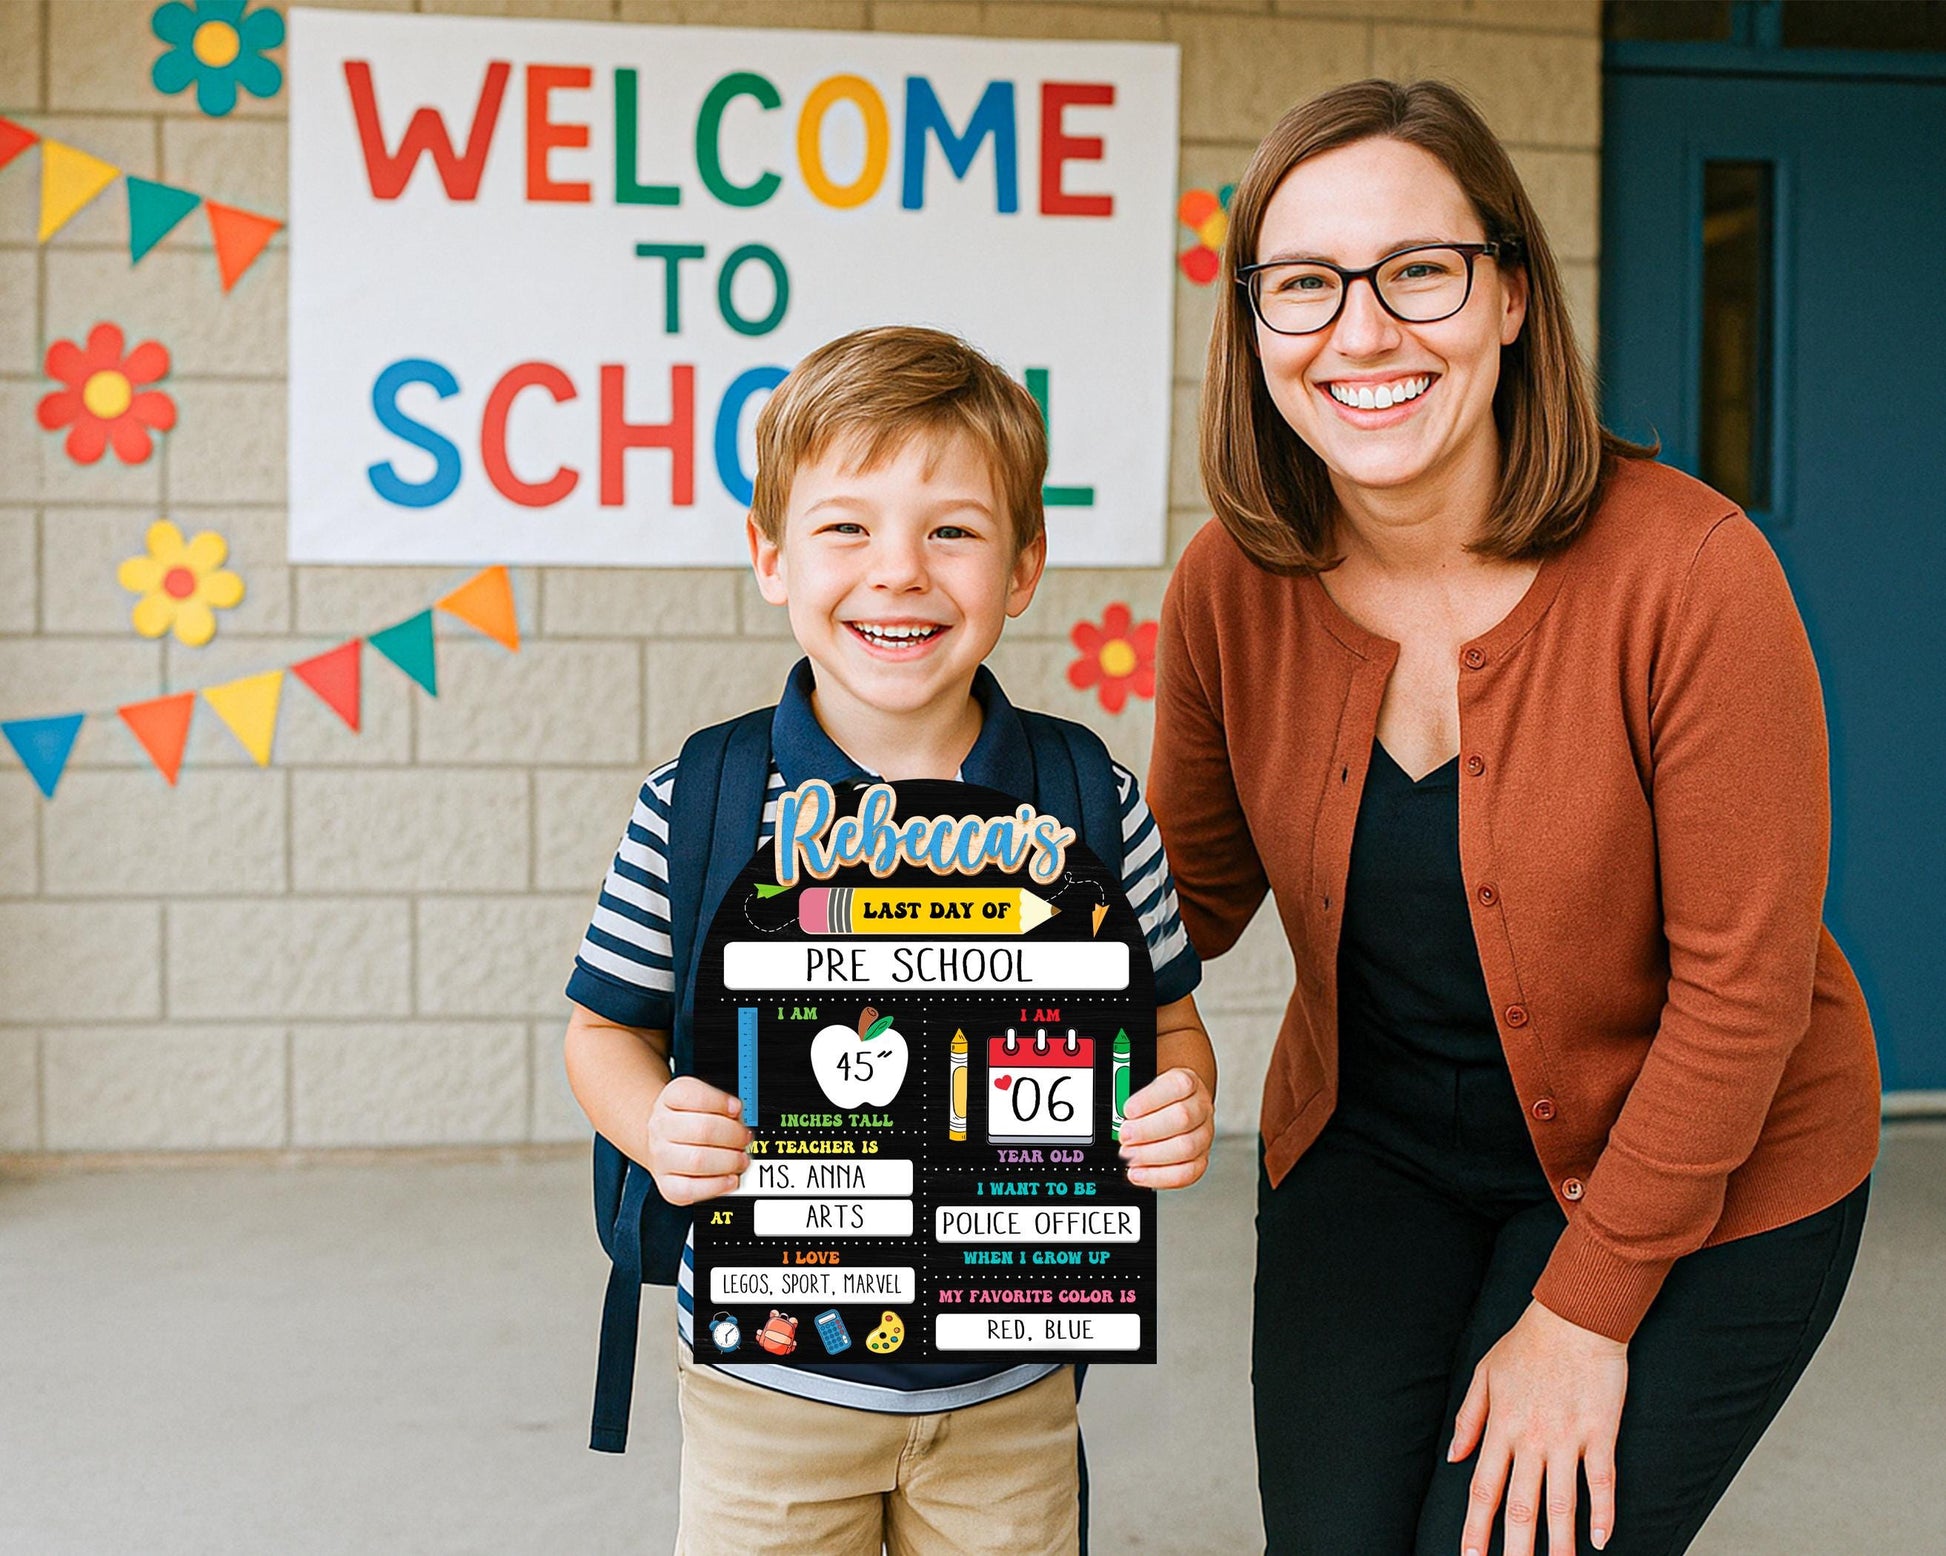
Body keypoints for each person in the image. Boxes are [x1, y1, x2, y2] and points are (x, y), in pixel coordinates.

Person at [1149, 79, 1880, 1556]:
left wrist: (1581, 1314)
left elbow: (1743, 998)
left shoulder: (1691, 576)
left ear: (1509, 296)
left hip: (1705, 1159)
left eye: (1417, 271)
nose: (1359, 331)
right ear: (1254, 330)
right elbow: (1174, 898)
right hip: (1376, 1151)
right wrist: (891, 877)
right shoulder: (1231, 582)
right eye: (1302, 287)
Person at [562, 325, 1217, 1556]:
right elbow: (605, 1027)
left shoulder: (1088, 797)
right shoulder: (697, 800)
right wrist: (653, 1121)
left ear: (1023, 566)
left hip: (1011, 1387)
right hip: (766, 1384)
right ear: (771, 556)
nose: (899, 571)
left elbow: (1167, 1020)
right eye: (846, 526)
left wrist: (1176, 1098)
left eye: (951, 530)